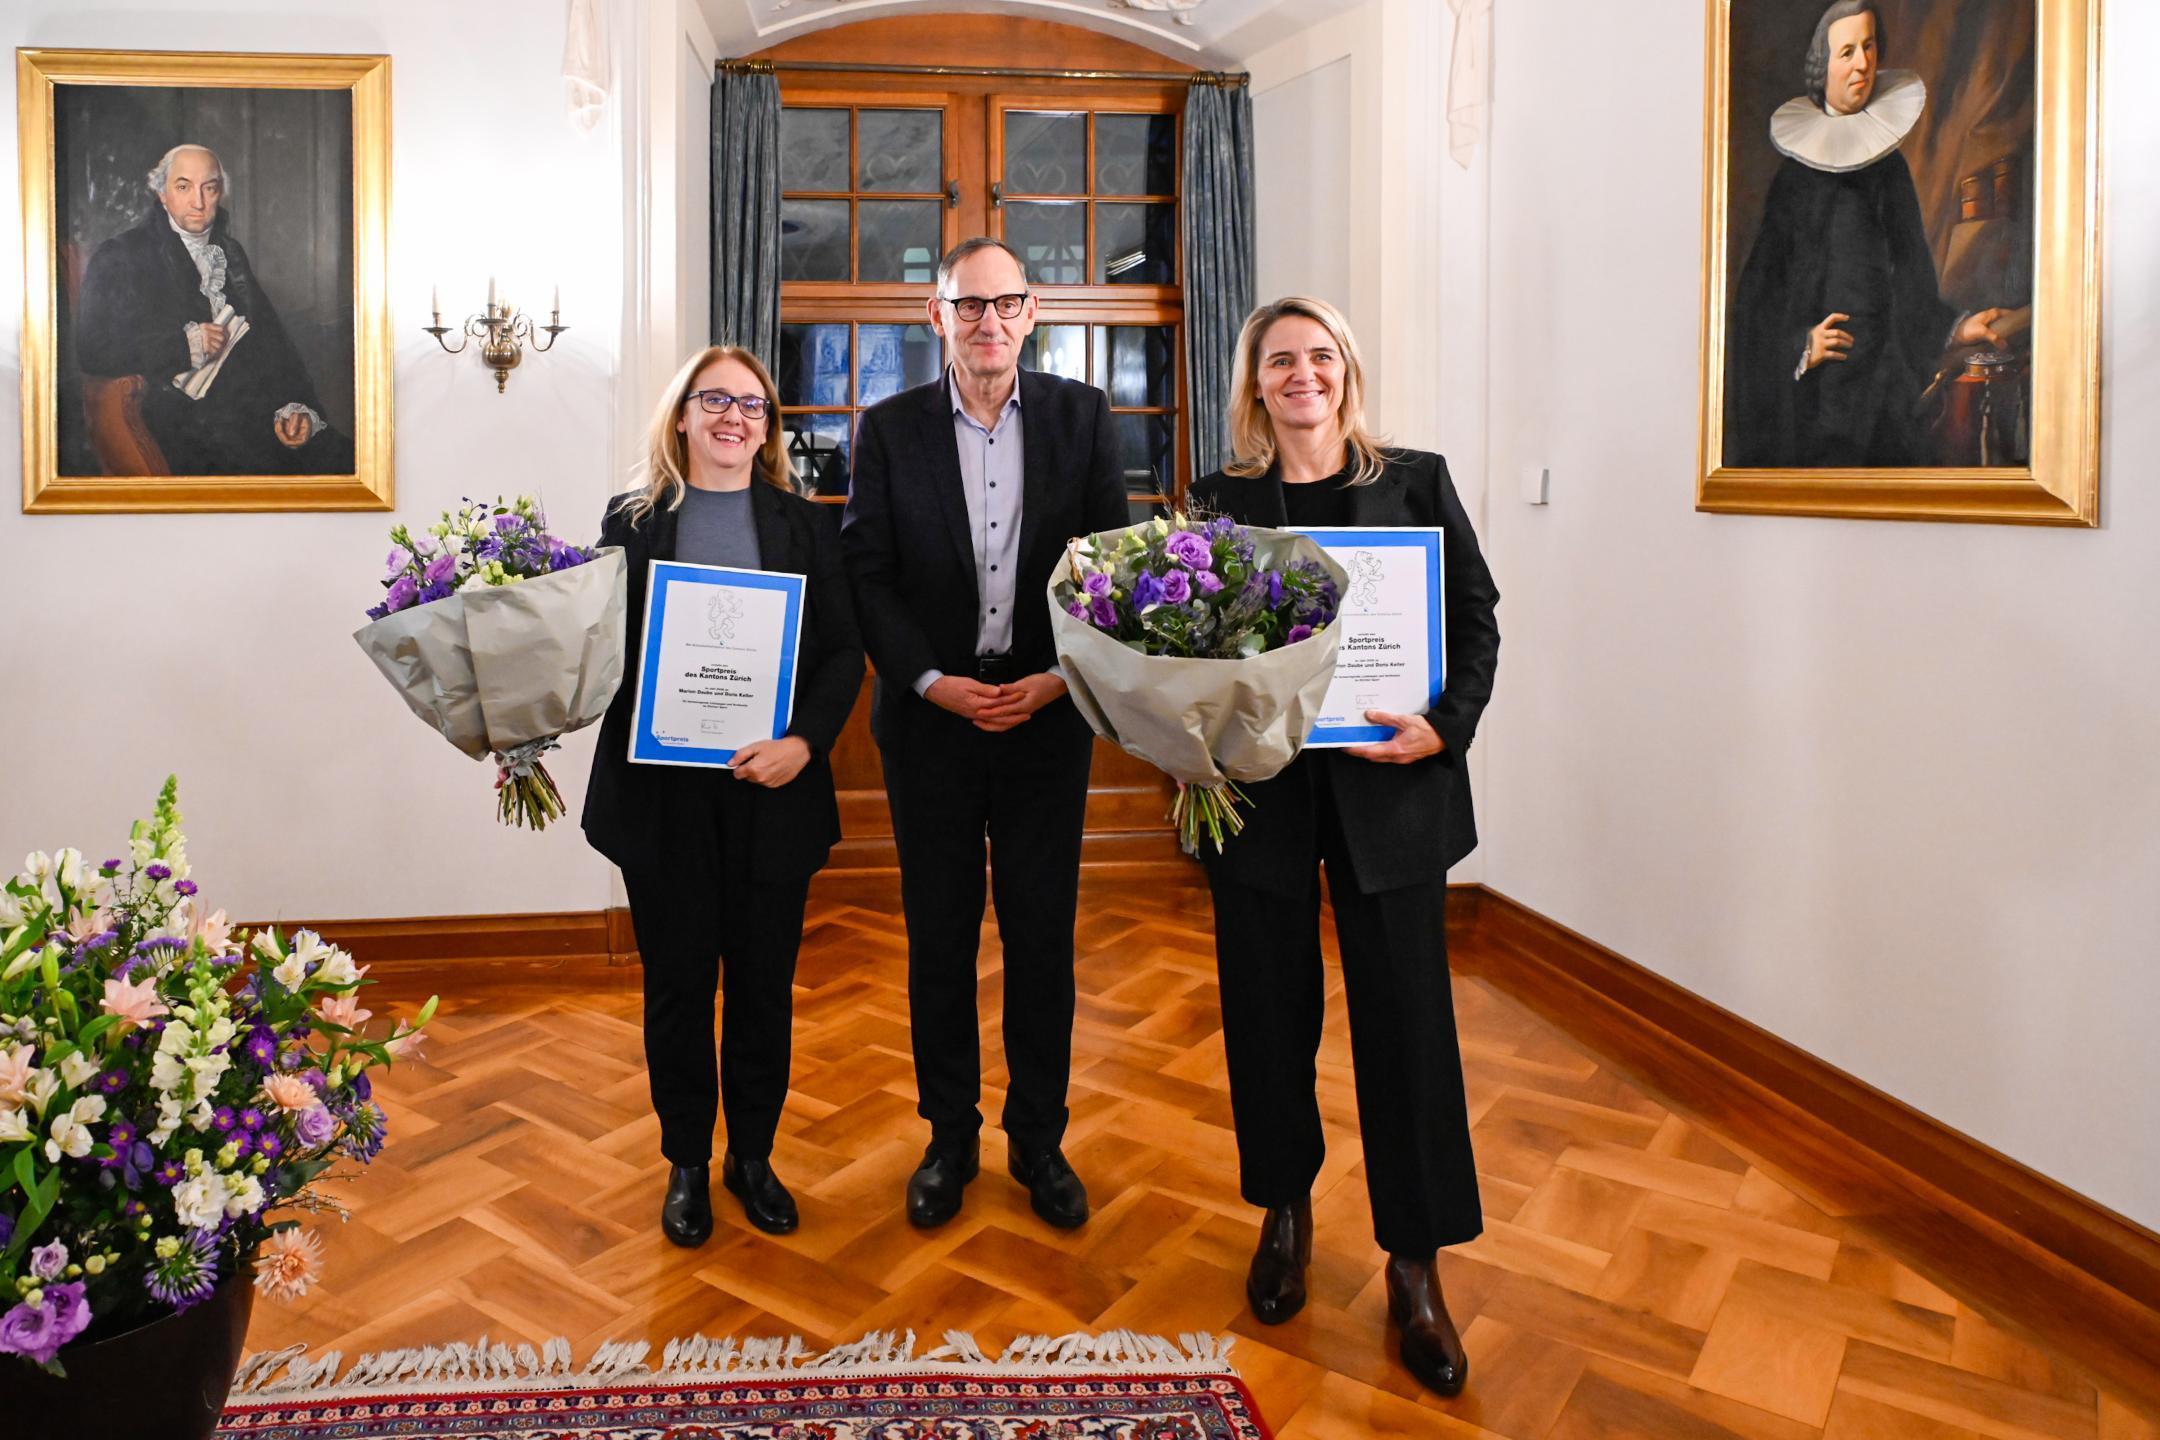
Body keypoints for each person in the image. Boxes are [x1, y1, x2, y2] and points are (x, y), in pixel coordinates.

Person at [1187, 296, 1500, 1398]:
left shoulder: (1414, 479)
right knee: (1267, 1016)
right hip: (1264, 800)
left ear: (1347, 372)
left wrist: (1443, 727)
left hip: (1391, 790)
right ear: (1256, 384)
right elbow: (1188, 656)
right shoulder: (1218, 500)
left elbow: (1477, 615)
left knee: (1409, 1034)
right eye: (1281, 361)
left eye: (1320, 357)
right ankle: (1283, 1211)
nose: (1302, 376)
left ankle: (1415, 1266)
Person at [841, 237, 1127, 1233]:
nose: (988, 323)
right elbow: (867, 573)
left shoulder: (1084, 419)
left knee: (1042, 938)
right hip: (932, 728)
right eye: (969, 307)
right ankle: (950, 1137)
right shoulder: (886, 428)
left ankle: (1039, 1140)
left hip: (1050, 720)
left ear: (1032, 313)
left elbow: (1108, 568)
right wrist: (931, 683)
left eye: (1005, 304)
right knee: (942, 939)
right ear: (938, 318)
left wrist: (1057, 680)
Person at [582, 345, 864, 1246]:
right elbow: (596, 653)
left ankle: (753, 1157)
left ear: (768, 428)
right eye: (716, 401)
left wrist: (804, 744)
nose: (734, 418)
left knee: (761, 990)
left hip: (770, 792)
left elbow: (840, 655)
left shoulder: (805, 526)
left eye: (752, 405)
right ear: (682, 416)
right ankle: (686, 1165)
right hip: (661, 798)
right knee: (675, 988)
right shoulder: (630, 522)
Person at [1725, 1, 2009, 467]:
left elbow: (1913, 275)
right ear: (1823, 67)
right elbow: (1757, 304)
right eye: (1847, 52)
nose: (1863, 63)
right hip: (1820, 401)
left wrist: (1955, 328)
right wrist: (1802, 345)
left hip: (1886, 391)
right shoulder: (1795, 180)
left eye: (1869, 46)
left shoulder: (1890, 168)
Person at [73, 143, 354, 476]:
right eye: (183, 186)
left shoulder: (230, 254)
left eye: (210, 188)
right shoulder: (121, 255)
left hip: (252, 417)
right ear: (162, 193)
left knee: (344, 459)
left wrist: (297, 411)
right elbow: (92, 349)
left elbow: (274, 348)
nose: (198, 202)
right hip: (181, 425)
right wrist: (183, 345)